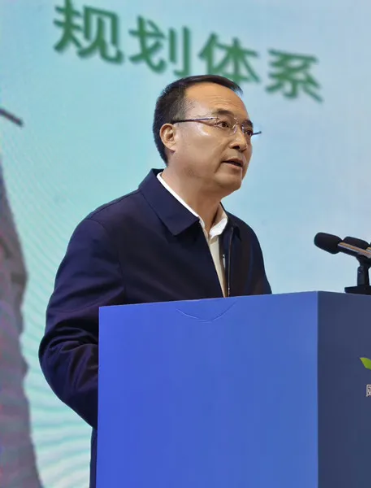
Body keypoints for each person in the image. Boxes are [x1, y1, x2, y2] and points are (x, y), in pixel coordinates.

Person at [38, 74, 272, 487]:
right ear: (170, 136)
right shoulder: (114, 230)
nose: (240, 142)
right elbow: (66, 350)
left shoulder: (242, 240)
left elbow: (259, 348)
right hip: (149, 466)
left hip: (235, 463)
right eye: (222, 124)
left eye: (247, 130)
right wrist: (156, 416)